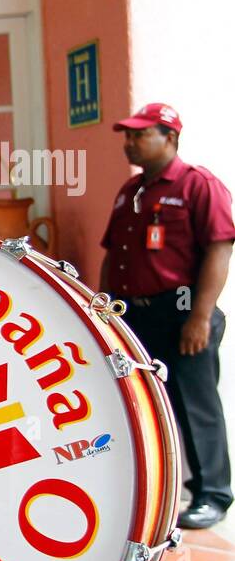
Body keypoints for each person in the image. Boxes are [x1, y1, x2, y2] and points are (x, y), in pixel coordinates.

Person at [101, 103, 235, 530]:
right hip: (137, 315)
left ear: (170, 138)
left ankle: (213, 494)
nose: (130, 142)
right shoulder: (132, 191)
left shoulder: (199, 186)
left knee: (197, 405)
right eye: (128, 135)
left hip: (182, 310)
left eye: (140, 135)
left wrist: (200, 317)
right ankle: (165, 489)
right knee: (147, 405)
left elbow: (219, 250)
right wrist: (105, 306)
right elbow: (113, 254)